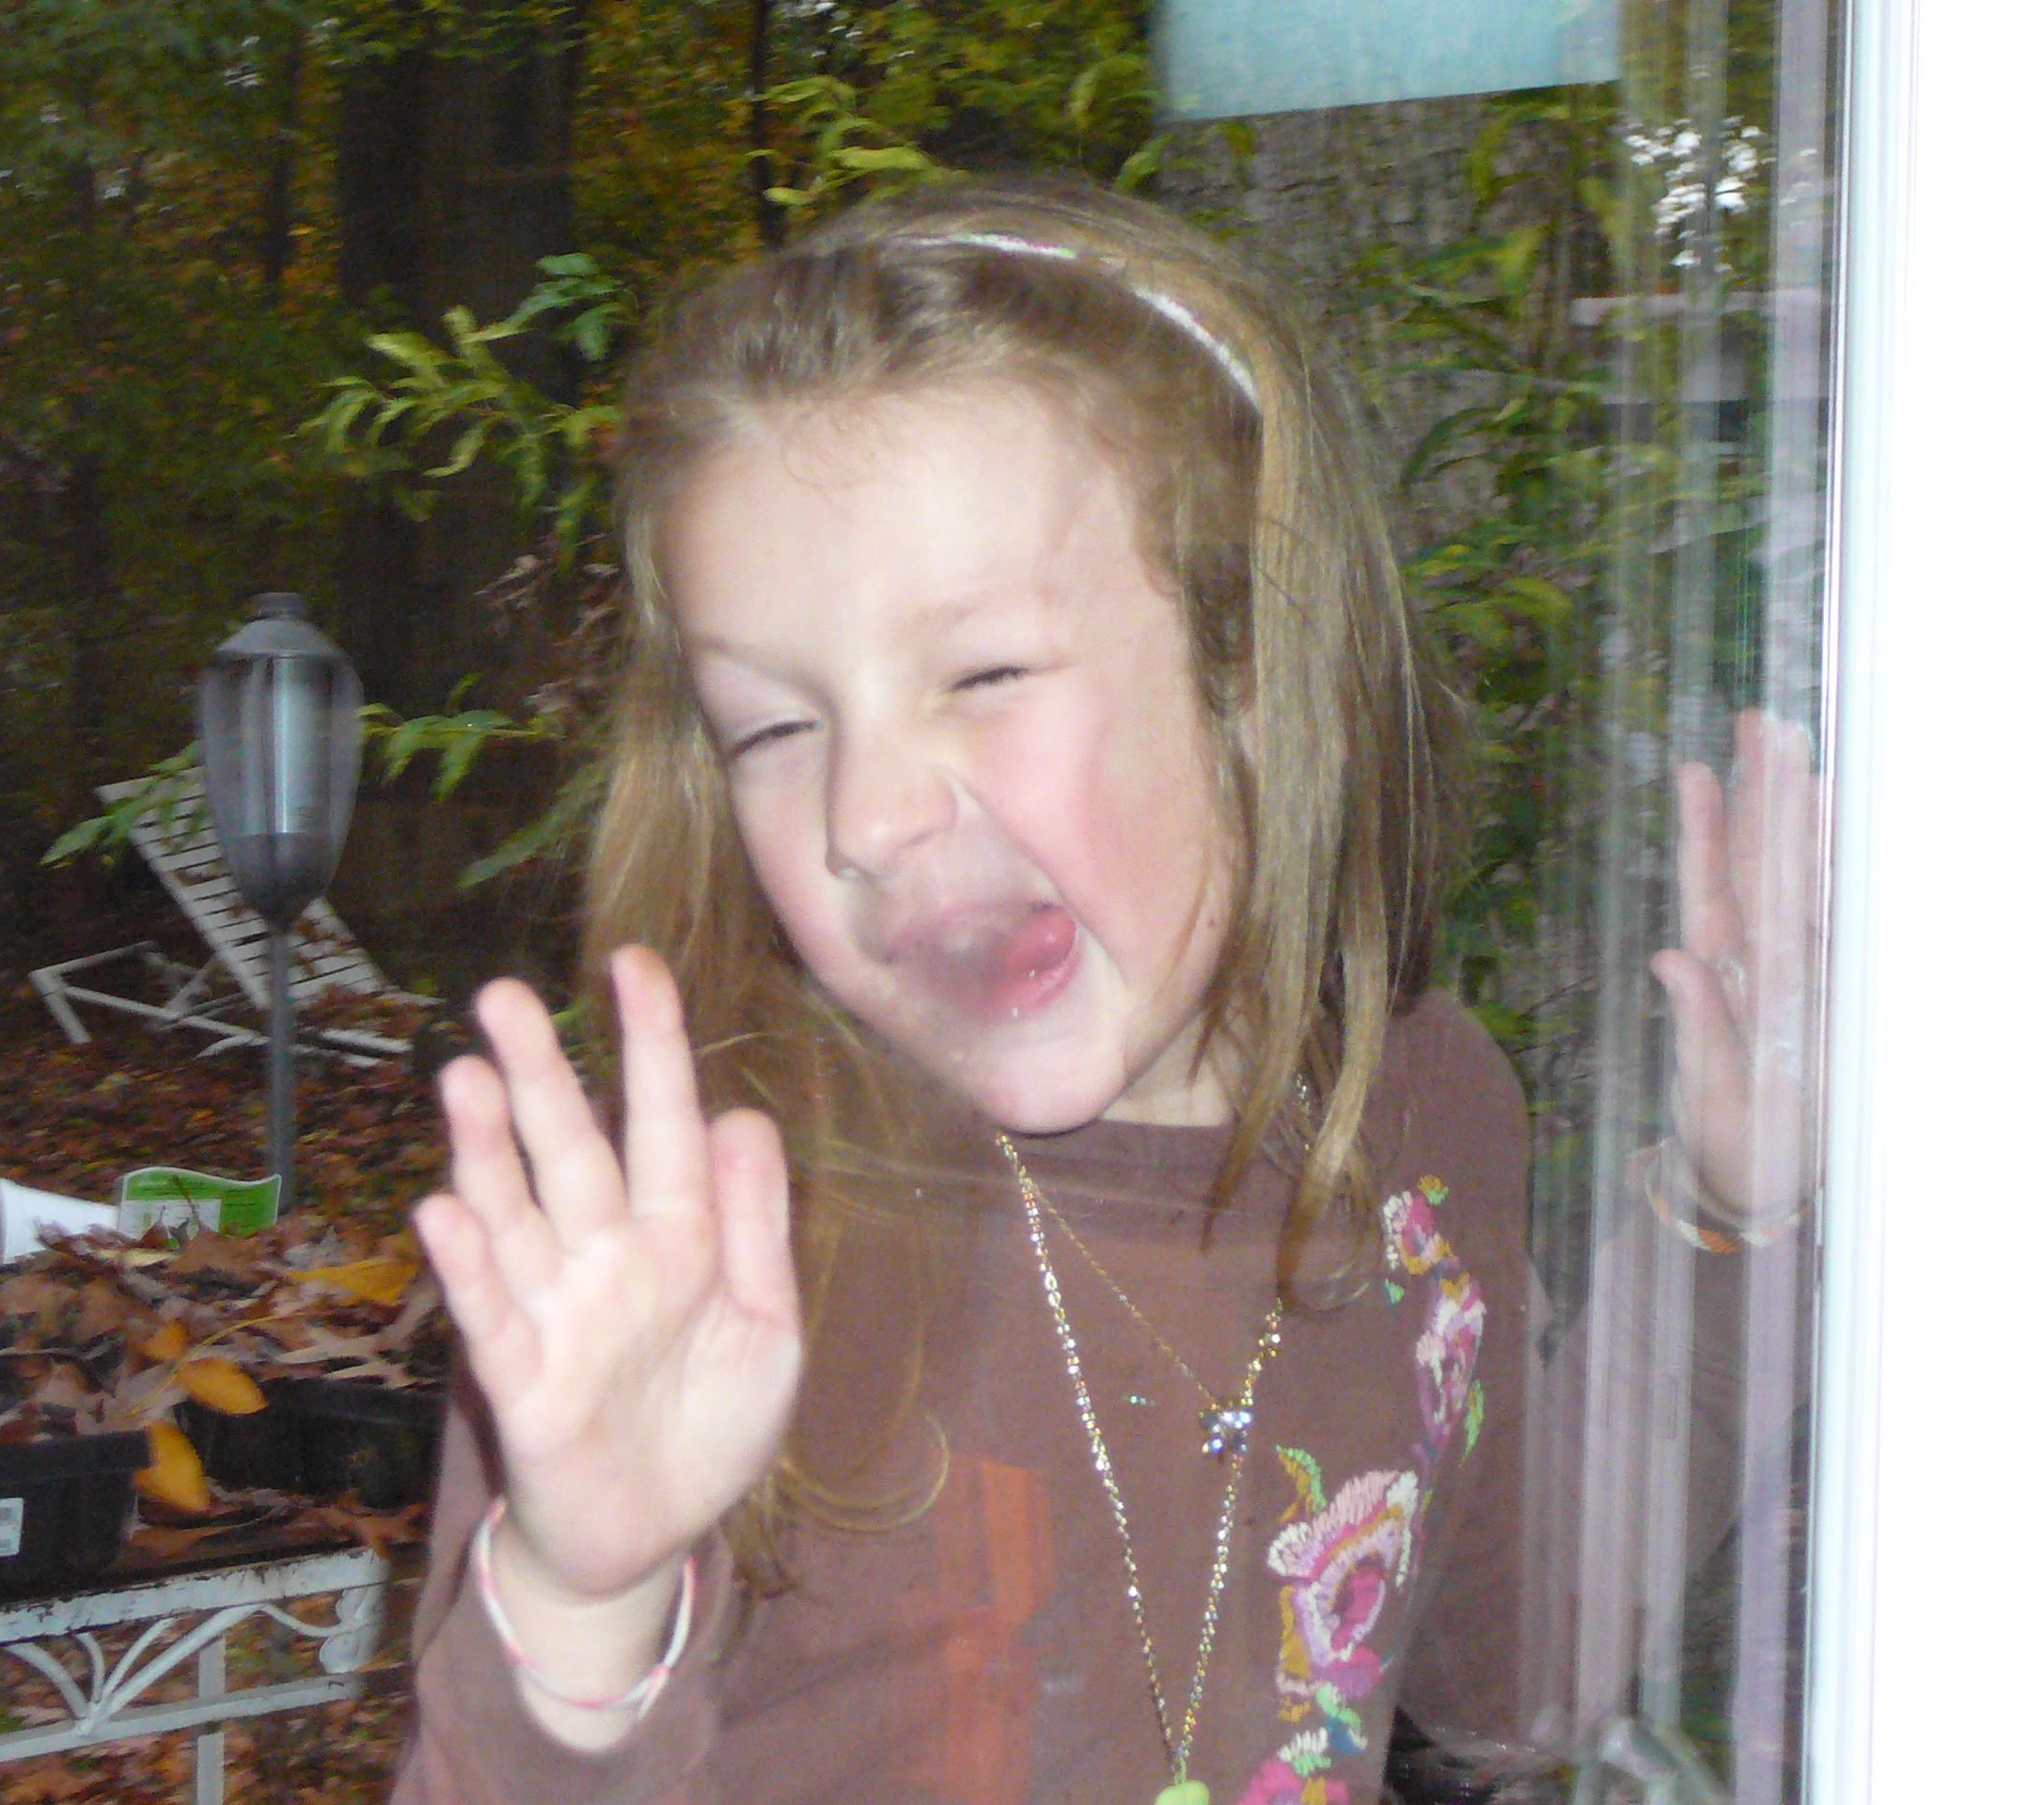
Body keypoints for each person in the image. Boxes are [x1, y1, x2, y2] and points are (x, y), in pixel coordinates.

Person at [386, 177, 1803, 1805]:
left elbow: (1512, 1672)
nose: (865, 816)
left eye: (983, 673)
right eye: (772, 728)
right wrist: (581, 1598)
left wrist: (1727, 1219)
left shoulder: (1418, 1113)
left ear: (1255, 676)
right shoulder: (697, 1243)